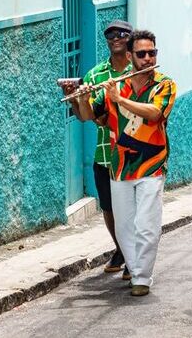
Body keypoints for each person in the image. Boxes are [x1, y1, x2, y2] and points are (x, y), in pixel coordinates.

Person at [73, 30, 176, 297]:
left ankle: (142, 277)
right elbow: (88, 116)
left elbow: (155, 113)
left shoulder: (164, 84)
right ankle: (133, 266)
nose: (147, 58)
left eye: (152, 53)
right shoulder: (115, 85)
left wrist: (121, 101)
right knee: (124, 225)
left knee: (147, 222)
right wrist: (82, 97)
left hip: (151, 164)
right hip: (119, 166)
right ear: (130, 56)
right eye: (141, 54)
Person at [60, 20, 132, 278]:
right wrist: (75, 98)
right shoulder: (95, 75)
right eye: (110, 34)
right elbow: (84, 116)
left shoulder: (139, 71)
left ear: (130, 38)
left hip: (134, 152)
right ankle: (122, 249)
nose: (115, 38)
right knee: (109, 207)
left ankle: (132, 255)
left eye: (121, 34)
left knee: (130, 208)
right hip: (105, 151)